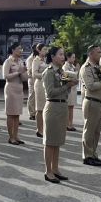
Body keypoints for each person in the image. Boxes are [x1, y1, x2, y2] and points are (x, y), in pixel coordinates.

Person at [80, 45, 101, 166]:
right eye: (98, 52)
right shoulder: (86, 68)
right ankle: (87, 156)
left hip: (100, 102)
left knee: (96, 132)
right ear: (91, 54)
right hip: (92, 102)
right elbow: (90, 86)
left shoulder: (98, 67)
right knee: (89, 131)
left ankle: (93, 154)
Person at [42, 46, 72, 183]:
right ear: (53, 56)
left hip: (62, 106)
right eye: (60, 54)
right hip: (53, 107)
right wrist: (67, 86)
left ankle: (55, 169)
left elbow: (66, 91)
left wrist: (70, 84)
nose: (63, 57)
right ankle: (48, 171)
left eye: (63, 54)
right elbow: (50, 92)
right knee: (50, 142)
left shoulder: (62, 71)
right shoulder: (48, 72)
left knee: (57, 141)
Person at [3, 42, 28, 145]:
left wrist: (24, 72)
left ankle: (16, 135)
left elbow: (25, 78)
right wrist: (18, 72)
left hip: (19, 89)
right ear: (13, 50)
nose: (20, 51)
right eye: (18, 49)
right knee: (11, 114)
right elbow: (5, 76)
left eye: (21, 49)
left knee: (17, 114)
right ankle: (11, 137)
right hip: (11, 89)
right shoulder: (8, 61)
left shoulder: (21, 62)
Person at [31, 43, 48, 138]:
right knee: (40, 108)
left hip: (46, 84)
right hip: (40, 84)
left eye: (46, 49)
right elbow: (34, 74)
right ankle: (39, 129)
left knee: (45, 107)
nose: (46, 51)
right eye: (44, 49)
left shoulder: (46, 59)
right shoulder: (36, 60)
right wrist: (45, 75)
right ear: (39, 50)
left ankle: (44, 128)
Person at [63, 51, 79, 131]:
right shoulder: (65, 66)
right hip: (69, 89)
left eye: (74, 57)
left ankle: (70, 124)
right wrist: (76, 71)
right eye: (73, 57)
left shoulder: (72, 65)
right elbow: (66, 77)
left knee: (71, 107)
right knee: (68, 107)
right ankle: (67, 124)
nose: (74, 59)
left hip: (73, 89)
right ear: (68, 58)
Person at [25, 44, 38, 121]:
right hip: (32, 79)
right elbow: (30, 70)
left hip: (38, 79)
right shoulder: (30, 59)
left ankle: (37, 112)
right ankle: (32, 113)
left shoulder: (40, 58)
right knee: (32, 96)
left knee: (38, 96)